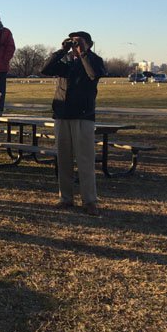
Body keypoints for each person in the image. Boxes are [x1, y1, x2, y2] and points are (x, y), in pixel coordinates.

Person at [40, 31, 106, 216]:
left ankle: (90, 201)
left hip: (83, 116)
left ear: (89, 44)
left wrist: (83, 53)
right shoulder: (66, 61)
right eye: (73, 42)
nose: (75, 46)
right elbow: (45, 69)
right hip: (62, 115)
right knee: (63, 159)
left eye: (79, 42)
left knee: (85, 160)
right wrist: (61, 51)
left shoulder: (94, 60)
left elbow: (93, 74)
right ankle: (66, 198)